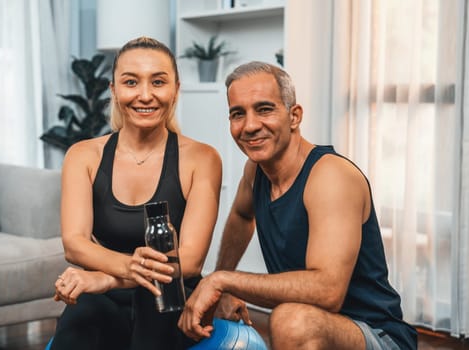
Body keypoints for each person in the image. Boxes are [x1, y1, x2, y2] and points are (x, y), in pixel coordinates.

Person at [178, 62, 417, 350]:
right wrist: (223, 291)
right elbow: (242, 216)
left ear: (294, 116)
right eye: (238, 114)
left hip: (377, 336)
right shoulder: (256, 172)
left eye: (264, 109)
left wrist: (222, 281)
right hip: (319, 331)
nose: (250, 126)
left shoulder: (331, 177)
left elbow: (328, 291)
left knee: (292, 320)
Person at [50, 37, 222, 350]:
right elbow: (74, 244)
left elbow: (191, 261)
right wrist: (122, 273)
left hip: (171, 297)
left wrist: (105, 278)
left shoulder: (201, 158)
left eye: (158, 82)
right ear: (113, 89)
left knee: (151, 303)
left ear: (176, 89)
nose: (145, 95)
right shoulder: (83, 155)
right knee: (83, 315)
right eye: (131, 82)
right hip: (106, 297)